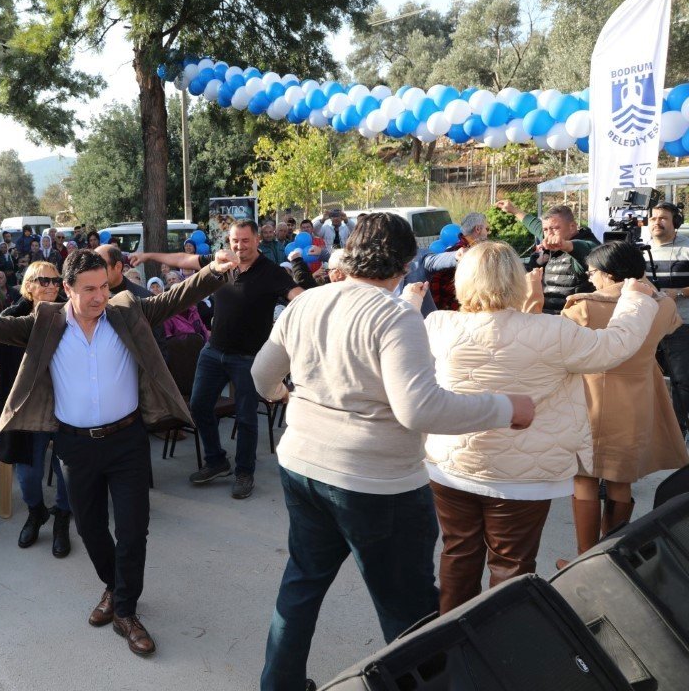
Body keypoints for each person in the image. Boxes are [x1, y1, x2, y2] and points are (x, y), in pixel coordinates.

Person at [250, 214, 537, 691]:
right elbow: (419, 409)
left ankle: (277, 685)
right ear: (405, 264)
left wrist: (290, 397)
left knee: (301, 583)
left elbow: (262, 375)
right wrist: (507, 407)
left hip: (302, 464)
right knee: (406, 607)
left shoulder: (309, 301)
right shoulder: (394, 315)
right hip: (374, 484)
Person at [0, 248, 238, 657]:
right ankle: (114, 585)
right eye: (88, 289)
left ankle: (125, 610)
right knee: (89, 528)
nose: (99, 296)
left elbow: (177, 297)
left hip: (127, 441)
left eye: (103, 286)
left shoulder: (127, 310)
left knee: (132, 529)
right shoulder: (46, 321)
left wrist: (215, 269)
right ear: (67, 289)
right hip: (74, 446)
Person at [423, 240, 658, 614]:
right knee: (512, 564)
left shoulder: (438, 324)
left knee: (457, 553)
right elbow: (614, 346)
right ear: (518, 279)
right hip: (523, 473)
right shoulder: (552, 332)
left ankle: (449, 645)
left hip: (451, 465)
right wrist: (635, 299)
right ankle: (502, 648)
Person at [556, 241, 688, 566]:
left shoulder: (584, 307)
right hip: (638, 398)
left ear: (609, 272)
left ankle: (582, 560)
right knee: (620, 480)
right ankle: (612, 560)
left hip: (591, 397)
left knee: (585, 477)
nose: (591, 279)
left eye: (593, 272)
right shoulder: (662, 305)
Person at [187, 220, 304, 500]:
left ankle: (244, 472)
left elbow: (298, 298)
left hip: (249, 358)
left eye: (245, 240)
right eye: (234, 241)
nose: (239, 246)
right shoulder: (223, 264)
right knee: (199, 406)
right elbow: (185, 259)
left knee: (247, 418)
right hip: (213, 352)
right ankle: (217, 461)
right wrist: (147, 256)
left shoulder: (272, 273)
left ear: (257, 241)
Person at [0, 262, 72, 557]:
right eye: (45, 280)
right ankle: (36, 511)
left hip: (67, 404)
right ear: (29, 285)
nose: (52, 286)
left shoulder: (71, 314)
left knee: (67, 468)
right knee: (28, 474)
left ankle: (62, 517)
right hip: (30, 410)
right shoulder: (12, 318)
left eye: (57, 281)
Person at [496, 199, 598, 314]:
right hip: (547, 317)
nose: (549, 234)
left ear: (572, 227)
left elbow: (590, 250)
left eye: (555, 228)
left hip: (573, 321)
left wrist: (565, 245)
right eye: (545, 230)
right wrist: (513, 210)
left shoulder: (586, 243)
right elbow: (534, 224)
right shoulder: (549, 237)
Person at [645, 201, 689, 435]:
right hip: (648, 325)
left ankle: (678, 431)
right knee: (649, 378)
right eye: (653, 218)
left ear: (676, 223)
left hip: (682, 324)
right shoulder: (639, 249)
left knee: (682, 380)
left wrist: (679, 292)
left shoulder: (687, 247)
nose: (657, 222)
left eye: (663, 218)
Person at [423, 211, 489, 311]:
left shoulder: (466, 249)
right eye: (486, 229)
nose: (488, 233)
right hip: (457, 310)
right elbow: (437, 281)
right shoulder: (459, 252)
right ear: (478, 229)